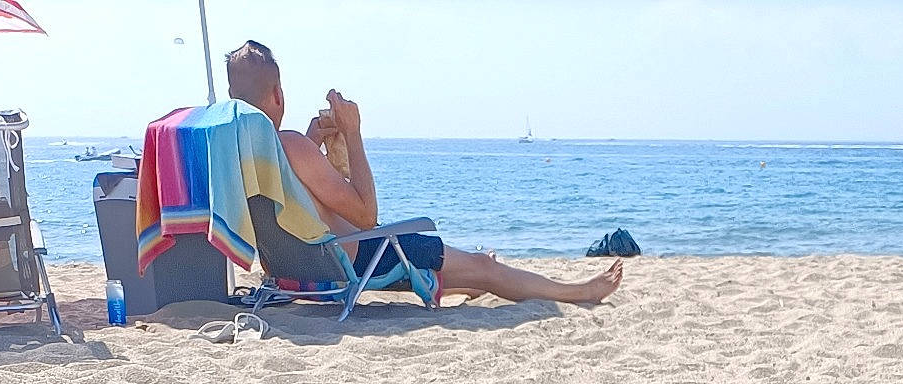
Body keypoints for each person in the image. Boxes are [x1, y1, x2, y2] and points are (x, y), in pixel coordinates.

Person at [223, 41, 623, 306]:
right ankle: (579, 292)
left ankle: (470, 280)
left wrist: (314, 146)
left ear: (232, 97)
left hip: (294, 273)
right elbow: (366, 218)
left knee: (466, 268)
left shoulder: (237, 153)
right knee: (484, 268)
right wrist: (354, 134)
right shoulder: (289, 145)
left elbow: (296, 211)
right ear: (278, 95)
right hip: (351, 262)